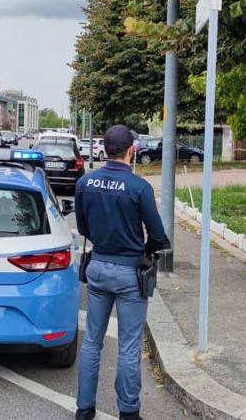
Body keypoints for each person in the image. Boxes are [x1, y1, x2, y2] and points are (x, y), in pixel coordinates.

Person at [74, 125, 167, 420]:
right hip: (130, 274)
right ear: (132, 150)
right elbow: (158, 235)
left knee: (92, 342)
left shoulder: (85, 183)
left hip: (98, 268)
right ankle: (128, 412)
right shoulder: (139, 188)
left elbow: (83, 227)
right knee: (128, 346)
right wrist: (146, 251)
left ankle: (84, 409)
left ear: (104, 149)